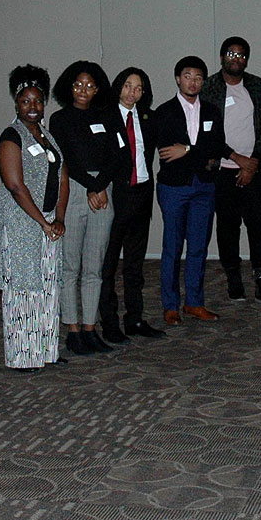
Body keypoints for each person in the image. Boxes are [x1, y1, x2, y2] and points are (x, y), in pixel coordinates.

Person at [0, 65, 69, 371]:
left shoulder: (46, 136)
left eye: (38, 101)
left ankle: (46, 350)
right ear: (16, 103)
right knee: (24, 287)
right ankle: (23, 356)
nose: (33, 107)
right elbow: (15, 185)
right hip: (21, 221)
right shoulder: (12, 135)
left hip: (48, 220)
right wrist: (43, 222)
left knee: (48, 285)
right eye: (26, 101)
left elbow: (63, 176)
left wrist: (58, 217)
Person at [201, 36, 261, 305]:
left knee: (259, 225)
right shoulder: (209, 88)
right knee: (228, 226)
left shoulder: (258, 87)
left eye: (242, 55)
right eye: (231, 54)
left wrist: (253, 162)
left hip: (256, 170)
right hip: (221, 170)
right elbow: (206, 131)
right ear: (222, 57)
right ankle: (234, 280)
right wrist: (235, 159)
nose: (237, 59)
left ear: (247, 60)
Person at [154, 56, 231, 326]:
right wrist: (201, 154)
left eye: (198, 77)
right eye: (188, 76)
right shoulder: (163, 112)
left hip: (204, 187)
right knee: (172, 248)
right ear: (178, 78)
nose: (193, 82)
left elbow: (217, 148)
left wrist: (186, 150)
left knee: (198, 247)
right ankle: (171, 305)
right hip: (174, 187)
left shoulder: (211, 111)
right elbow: (166, 152)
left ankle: (195, 303)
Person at [48, 61, 116, 355]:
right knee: (70, 266)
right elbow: (63, 159)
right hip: (74, 190)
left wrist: (99, 185)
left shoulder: (107, 115)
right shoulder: (59, 119)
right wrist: (89, 186)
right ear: (68, 87)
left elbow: (116, 155)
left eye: (89, 85)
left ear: (98, 88)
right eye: (78, 85)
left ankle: (90, 328)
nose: (83, 90)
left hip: (102, 190)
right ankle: (73, 330)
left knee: (94, 266)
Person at [97, 67, 166, 340]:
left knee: (135, 265)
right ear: (118, 86)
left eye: (138, 88)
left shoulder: (147, 118)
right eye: (127, 85)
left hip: (142, 194)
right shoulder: (104, 116)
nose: (132, 92)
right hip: (115, 196)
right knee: (108, 264)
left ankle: (135, 319)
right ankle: (109, 322)